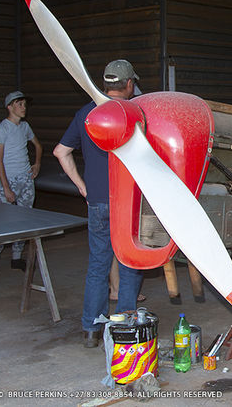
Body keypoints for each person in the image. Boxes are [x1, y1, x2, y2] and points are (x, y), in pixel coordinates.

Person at [53, 59, 143, 348]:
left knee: (98, 265)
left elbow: (60, 152)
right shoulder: (135, 112)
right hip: (128, 204)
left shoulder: (85, 113)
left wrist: (83, 187)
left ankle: (91, 330)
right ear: (129, 85)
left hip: (98, 204)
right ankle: (125, 327)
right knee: (129, 264)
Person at [0, 91, 42, 280]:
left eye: (24, 104)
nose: (23, 107)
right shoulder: (2, 130)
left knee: (23, 220)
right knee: (2, 223)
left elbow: (38, 146)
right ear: (10, 107)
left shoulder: (25, 127)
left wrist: (37, 163)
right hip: (9, 180)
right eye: (20, 104)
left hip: (25, 179)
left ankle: (17, 258)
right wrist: (6, 187)